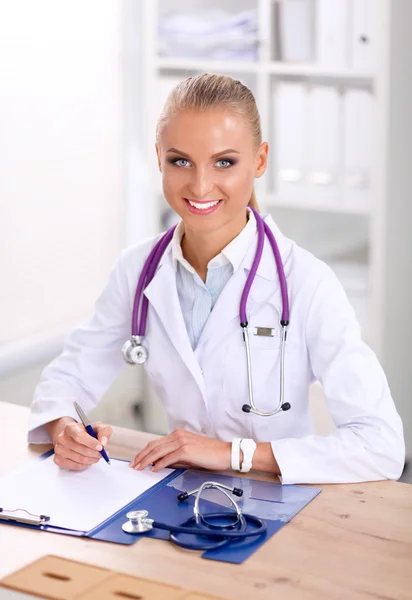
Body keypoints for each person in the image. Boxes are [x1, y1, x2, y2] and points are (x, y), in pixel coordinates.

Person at [28, 74, 405, 484]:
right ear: (158, 158)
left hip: (282, 499)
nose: (200, 185)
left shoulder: (307, 282)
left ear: (259, 161)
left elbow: (380, 445)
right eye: (180, 161)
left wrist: (232, 454)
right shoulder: (138, 270)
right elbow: (68, 378)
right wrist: (64, 428)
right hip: (179, 491)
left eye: (224, 162)